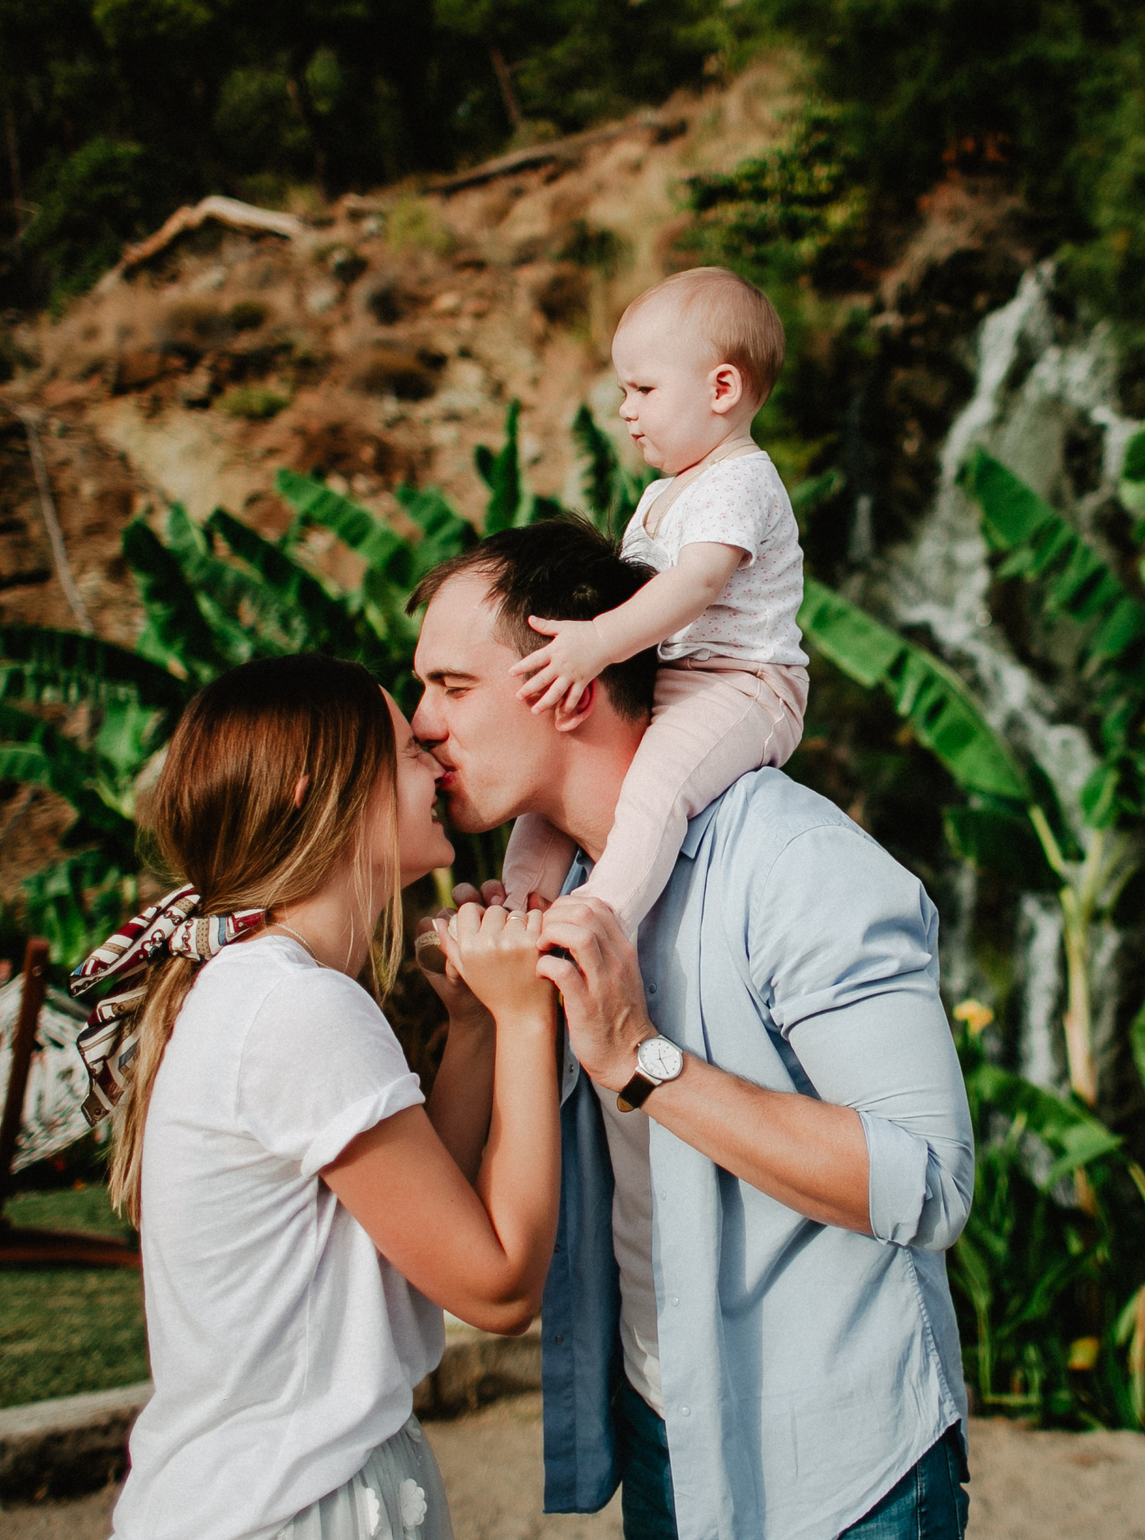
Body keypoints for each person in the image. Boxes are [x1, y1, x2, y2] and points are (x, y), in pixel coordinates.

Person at [408, 522, 976, 1540]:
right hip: (664, 1438)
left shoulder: (794, 860)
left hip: (845, 1476)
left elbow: (929, 1182)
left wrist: (642, 1061)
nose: (421, 726)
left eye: (451, 686)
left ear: (568, 681)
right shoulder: (564, 887)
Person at [79, 653, 565, 1540]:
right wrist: (529, 1013)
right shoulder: (297, 1006)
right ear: (315, 795)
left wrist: (476, 1027)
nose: (431, 751)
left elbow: (428, 1232)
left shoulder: (262, 988)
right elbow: (497, 1288)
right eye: (401, 747)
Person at [497, 266, 809, 936]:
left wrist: (600, 642)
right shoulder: (663, 492)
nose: (625, 410)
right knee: (561, 763)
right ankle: (518, 905)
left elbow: (696, 582)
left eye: (642, 389)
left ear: (721, 388)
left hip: (742, 685)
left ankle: (593, 921)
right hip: (669, 679)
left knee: (655, 789)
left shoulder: (741, 478)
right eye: (622, 391)